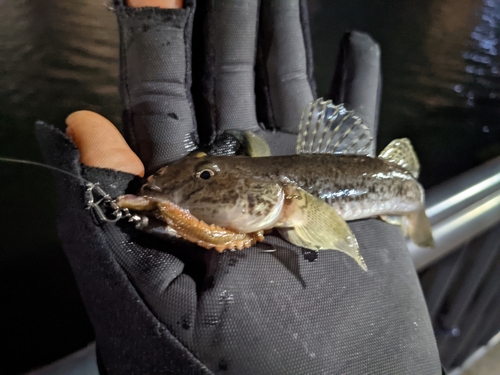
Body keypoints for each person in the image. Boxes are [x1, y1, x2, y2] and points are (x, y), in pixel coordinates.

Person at [36, 0, 443, 373]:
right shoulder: (235, 179)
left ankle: (413, 210)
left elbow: (328, 230)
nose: (201, 180)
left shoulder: (287, 197)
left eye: (207, 175)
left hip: (395, 188)